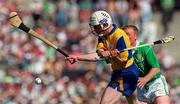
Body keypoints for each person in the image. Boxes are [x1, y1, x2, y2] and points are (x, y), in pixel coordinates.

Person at [66, 10, 139, 104]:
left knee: (105, 102)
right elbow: (97, 55)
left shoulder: (120, 37)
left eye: (96, 27)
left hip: (127, 72)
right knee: (133, 102)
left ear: (104, 24)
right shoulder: (103, 35)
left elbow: (122, 63)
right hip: (118, 72)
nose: (95, 29)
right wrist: (77, 57)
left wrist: (114, 56)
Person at [122, 25, 170, 104]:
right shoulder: (122, 52)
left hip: (155, 83)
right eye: (123, 35)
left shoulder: (145, 48)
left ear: (135, 36)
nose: (125, 37)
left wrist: (145, 79)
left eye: (127, 34)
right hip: (141, 87)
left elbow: (156, 68)